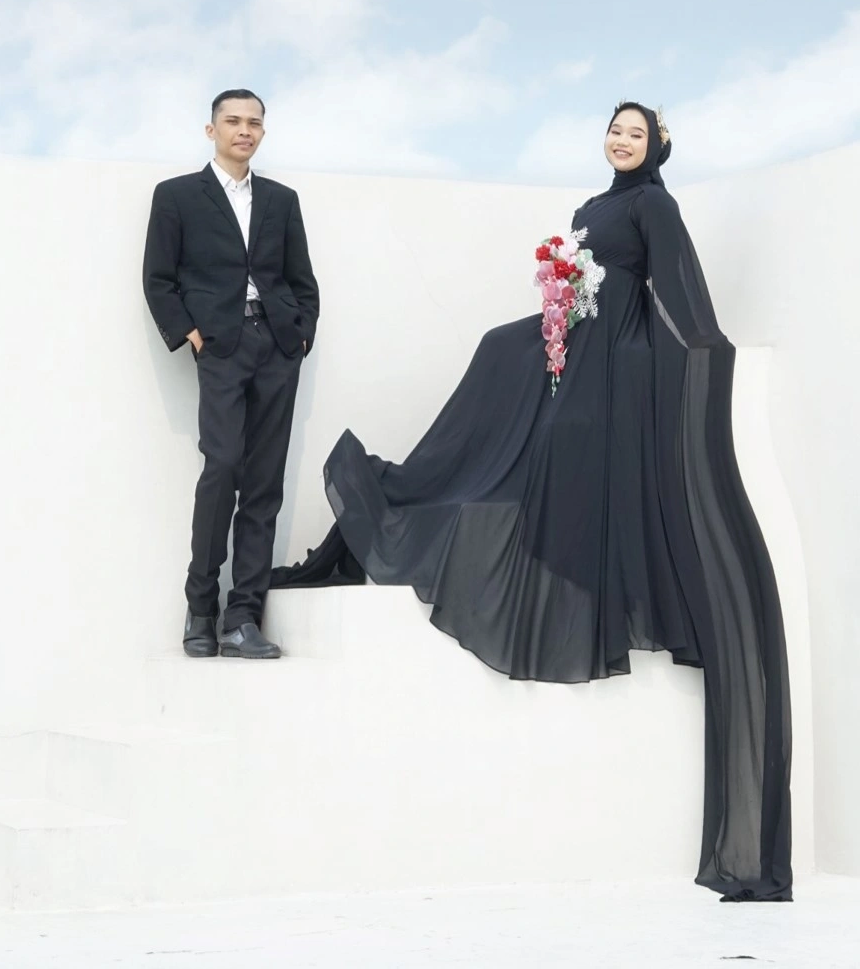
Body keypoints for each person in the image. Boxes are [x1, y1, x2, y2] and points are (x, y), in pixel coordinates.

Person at [273, 104, 792, 900]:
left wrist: (694, 349)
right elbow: (578, 280)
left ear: (656, 146)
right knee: (496, 345)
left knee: (562, 424)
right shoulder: (590, 206)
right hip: (577, 327)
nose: (621, 141)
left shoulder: (653, 205)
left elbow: (677, 285)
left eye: (635, 133)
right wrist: (561, 298)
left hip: (619, 340)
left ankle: (495, 473)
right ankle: (430, 482)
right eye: (615, 130)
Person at [144, 89, 319, 661]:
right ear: (211, 130)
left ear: (263, 132)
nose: (245, 130)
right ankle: (201, 607)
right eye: (233, 121)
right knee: (221, 467)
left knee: (265, 482)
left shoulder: (281, 200)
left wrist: (300, 333)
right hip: (221, 346)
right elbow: (158, 279)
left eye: (254, 123)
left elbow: (301, 279)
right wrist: (192, 335)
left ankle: (243, 618)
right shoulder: (176, 196)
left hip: (277, 345)